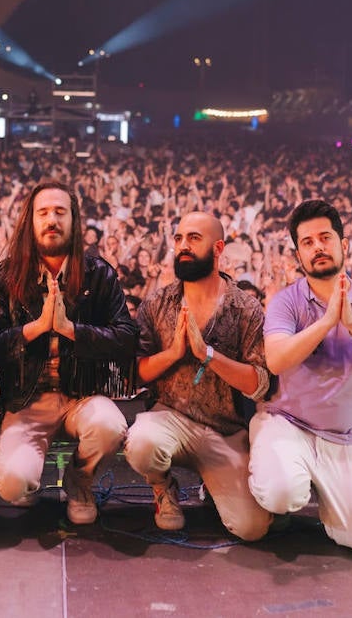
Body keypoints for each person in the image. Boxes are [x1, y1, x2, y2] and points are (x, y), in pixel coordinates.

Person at [248, 199, 352, 554]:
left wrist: (351, 323)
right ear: (298, 256)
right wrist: (325, 322)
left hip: (342, 438)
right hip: (288, 425)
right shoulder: (286, 302)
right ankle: (280, 477)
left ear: (344, 245)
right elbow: (275, 360)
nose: (317, 247)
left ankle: (340, 490)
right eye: (307, 242)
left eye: (325, 237)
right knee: (281, 493)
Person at [0, 181, 137, 525]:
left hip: (82, 396)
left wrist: (71, 330)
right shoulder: (6, 278)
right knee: (12, 486)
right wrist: (35, 328)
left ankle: (79, 481)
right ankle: (30, 479)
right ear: (30, 221)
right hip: (27, 400)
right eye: (44, 212)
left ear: (74, 222)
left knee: (110, 426)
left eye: (60, 212)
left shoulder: (99, 273)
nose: (52, 220)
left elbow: (126, 338)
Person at [124, 212, 271, 539]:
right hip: (169, 419)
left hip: (224, 431)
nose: (183, 246)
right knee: (140, 444)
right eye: (178, 239)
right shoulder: (157, 303)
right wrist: (175, 353)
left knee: (252, 529)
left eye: (193, 238)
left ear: (218, 248)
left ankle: (212, 484)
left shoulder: (245, 308)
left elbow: (259, 384)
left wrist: (208, 354)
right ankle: (162, 487)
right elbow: (136, 373)